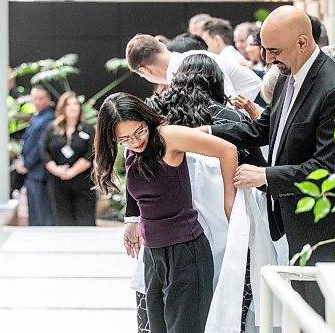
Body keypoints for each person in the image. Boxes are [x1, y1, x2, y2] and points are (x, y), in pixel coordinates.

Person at [201, 5, 335, 315]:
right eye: (264, 49)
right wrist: (208, 131)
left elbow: (328, 168)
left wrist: (264, 176)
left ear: (302, 42)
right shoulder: (290, 74)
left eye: (273, 50)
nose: (266, 59)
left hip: (325, 227)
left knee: (320, 313)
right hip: (295, 219)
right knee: (300, 308)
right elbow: (264, 128)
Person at [140, 54, 268, 333]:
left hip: (168, 216)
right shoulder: (231, 116)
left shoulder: (155, 114)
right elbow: (258, 166)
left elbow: (138, 162)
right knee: (226, 286)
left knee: (167, 292)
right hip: (225, 214)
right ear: (216, 81)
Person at [93, 92, 238, 333]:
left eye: (139, 131)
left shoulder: (167, 135)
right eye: (125, 139)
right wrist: (133, 219)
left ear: (145, 119)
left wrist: (229, 201)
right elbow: (142, 188)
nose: (135, 141)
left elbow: (228, 150)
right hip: (153, 255)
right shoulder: (133, 149)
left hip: (186, 252)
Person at [125, 34, 262, 102]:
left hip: (262, 114)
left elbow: (228, 108)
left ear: (145, 70)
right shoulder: (184, 64)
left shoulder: (196, 63)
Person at [40, 91, 96, 226]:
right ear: (62, 108)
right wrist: (57, 170)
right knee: (63, 220)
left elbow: (91, 152)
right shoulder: (52, 128)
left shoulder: (88, 129)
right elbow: (44, 151)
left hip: (83, 181)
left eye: (75, 104)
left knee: (85, 219)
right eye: (68, 104)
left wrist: (72, 172)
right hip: (58, 182)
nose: (73, 107)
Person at [14, 85, 55, 226]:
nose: (38, 101)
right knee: (35, 213)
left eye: (41, 98)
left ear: (48, 99)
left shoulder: (48, 118)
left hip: (40, 172)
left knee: (42, 213)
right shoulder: (38, 116)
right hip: (32, 173)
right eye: (35, 98)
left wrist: (27, 164)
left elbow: (40, 146)